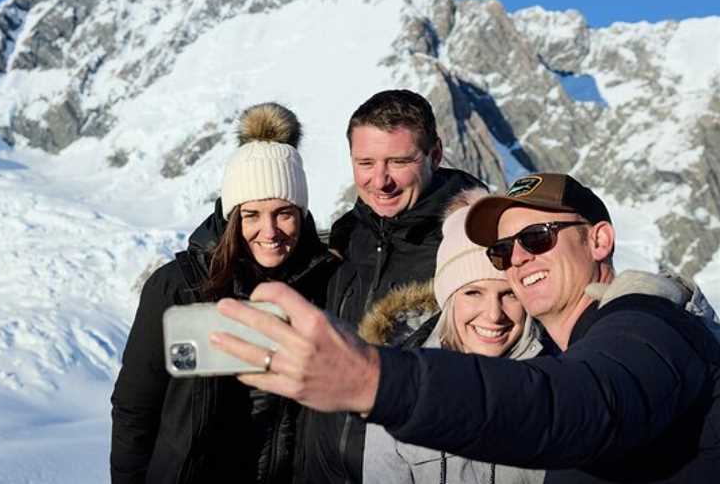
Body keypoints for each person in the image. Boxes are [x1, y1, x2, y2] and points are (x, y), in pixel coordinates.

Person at [212, 172, 720, 483]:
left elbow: (580, 404)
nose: (518, 259)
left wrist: (376, 380)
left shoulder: (650, 324)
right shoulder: (584, 343)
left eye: (538, 236)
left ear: (599, 240)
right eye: (503, 250)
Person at [110, 103, 338, 484]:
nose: (270, 231)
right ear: (232, 218)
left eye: (284, 212)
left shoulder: (326, 284)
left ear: (302, 212)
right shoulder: (178, 287)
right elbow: (135, 409)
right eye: (251, 215)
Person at [302, 89, 483, 482]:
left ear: (435, 155)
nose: (379, 181)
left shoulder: (470, 245)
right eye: (365, 162)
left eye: (399, 162)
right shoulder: (347, 238)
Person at [361, 188, 546, 484]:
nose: (493, 314)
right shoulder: (402, 389)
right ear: (448, 299)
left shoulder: (556, 383)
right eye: (473, 293)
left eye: (509, 294)